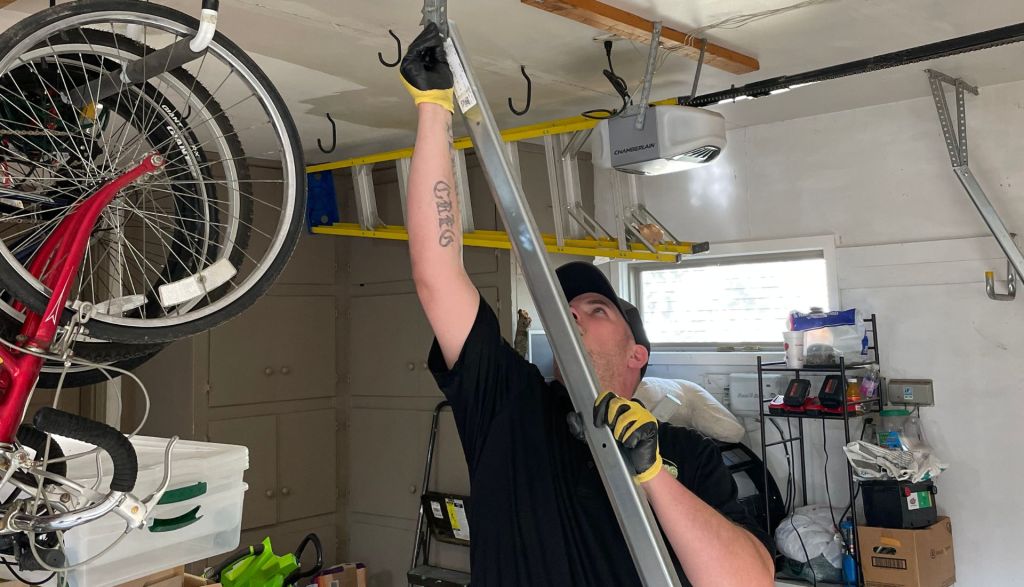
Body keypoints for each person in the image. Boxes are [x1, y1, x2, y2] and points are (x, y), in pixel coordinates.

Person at [400, 23, 775, 587]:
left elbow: (746, 581)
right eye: (564, 310)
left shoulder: (682, 452)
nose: (571, 313)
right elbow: (438, 277)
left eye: (596, 308)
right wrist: (433, 107)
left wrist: (651, 473)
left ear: (637, 355)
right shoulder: (510, 404)